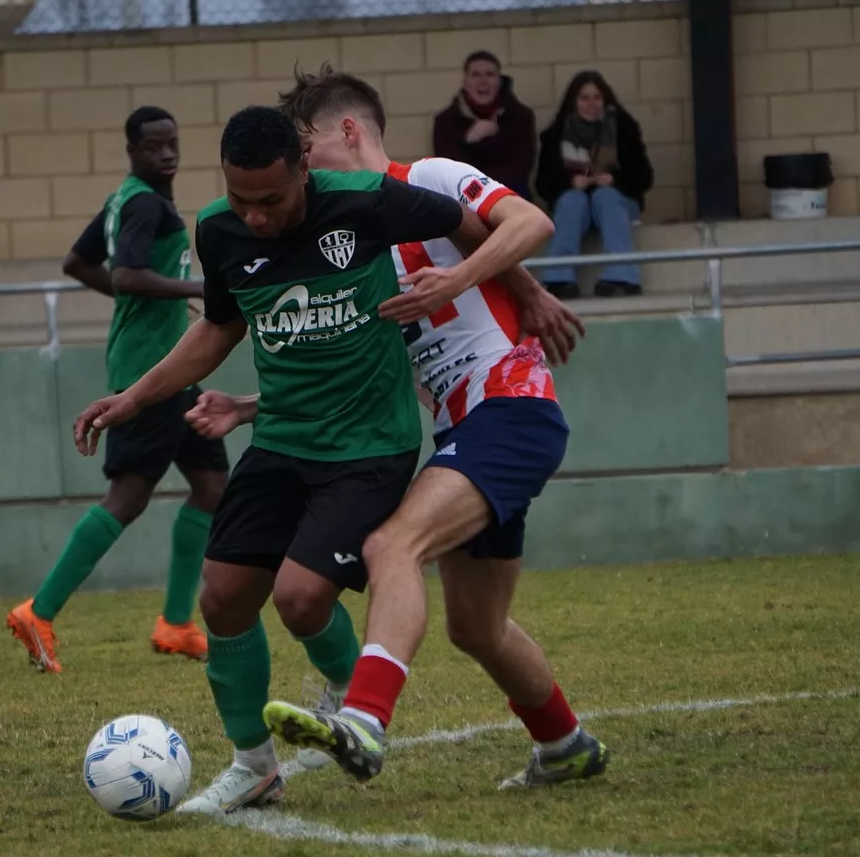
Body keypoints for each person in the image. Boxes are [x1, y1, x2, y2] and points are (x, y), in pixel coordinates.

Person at [73, 104, 562, 814]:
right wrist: (134, 398)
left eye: (271, 200)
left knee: (302, 596)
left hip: (371, 444)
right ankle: (255, 767)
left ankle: (354, 704)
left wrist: (508, 285)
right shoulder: (219, 229)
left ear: (304, 170)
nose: (257, 216)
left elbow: (473, 225)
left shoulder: (368, 202)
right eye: (243, 199)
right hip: (281, 442)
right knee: (223, 596)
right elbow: (218, 330)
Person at [187, 67, 608, 792]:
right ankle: (565, 744)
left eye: (308, 151)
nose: (303, 173)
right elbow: (359, 360)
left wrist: (480, 283)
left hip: (509, 408)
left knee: (392, 545)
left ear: (347, 132)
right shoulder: (360, 234)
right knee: (475, 627)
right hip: (461, 430)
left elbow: (528, 222)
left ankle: (364, 721)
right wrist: (252, 407)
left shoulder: (431, 178)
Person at [6, 106, 229, 671]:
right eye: (154, 147)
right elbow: (127, 274)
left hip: (174, 369)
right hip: (147, 375)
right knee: (127, 499)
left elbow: (78, 262)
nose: (167, 154)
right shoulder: (142, 204)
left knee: (211, 486)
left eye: (172, 143)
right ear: (133, 150)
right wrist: (193, 286)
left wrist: (152, 298)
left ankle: (176, 623)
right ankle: (40, 610)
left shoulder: (126, 197)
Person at [535, 71, 654, 299]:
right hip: (574, 202)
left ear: (605, 100)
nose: (591, 104)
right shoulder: (556, 134)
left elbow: (644, 177)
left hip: (616, 200)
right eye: (584, 98)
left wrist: (615, 180)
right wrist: (570, 182)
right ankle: (560, 279)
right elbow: (543, 184)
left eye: (597, 97)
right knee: (572, 200)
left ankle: (623, 274)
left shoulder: (624, 128)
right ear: (574, 101)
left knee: (605, 197)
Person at [431, 50, 538, 201]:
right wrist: (469, 141)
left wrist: (488, 190)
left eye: (490, 74)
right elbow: (449, 170)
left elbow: (521, 165)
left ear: (499, 81)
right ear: (465, 82)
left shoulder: (520, 116)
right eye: (475, 75)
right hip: (464, 194)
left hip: (509, 191)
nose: (483, 81)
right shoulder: (446, 120)